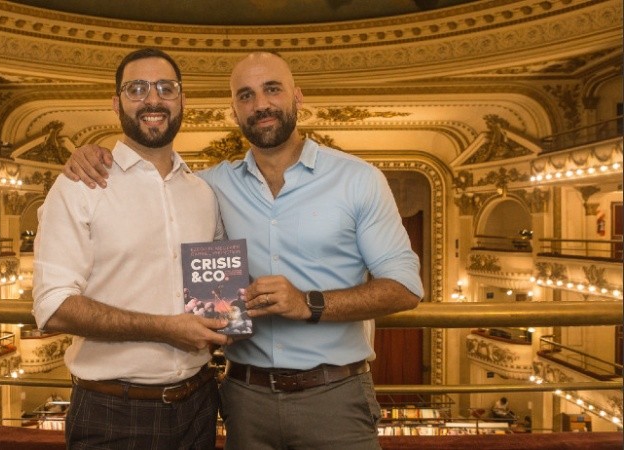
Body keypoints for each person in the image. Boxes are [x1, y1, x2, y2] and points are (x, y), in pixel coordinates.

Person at [64, 51, 424, 450]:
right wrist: (95, 153)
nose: (261, 104)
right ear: (233, 110)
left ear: (297, 96)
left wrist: (309, 303)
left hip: (335, 396)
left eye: (272, 89)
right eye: (246, 95)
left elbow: (405, 288)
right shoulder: (209, 186)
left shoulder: (358, 179)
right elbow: (154, 177)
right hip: (245, 398)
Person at [32, 48, 232, 450]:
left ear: (183, 100)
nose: (153, 100)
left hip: (199, 403)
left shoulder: (202, 192)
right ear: (116, 103)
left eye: (166, 88)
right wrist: (165, 328)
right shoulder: (81, 185)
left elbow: (215, 292)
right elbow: (52, 307)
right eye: (137, 89)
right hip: (113, 410)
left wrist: (227, 317)